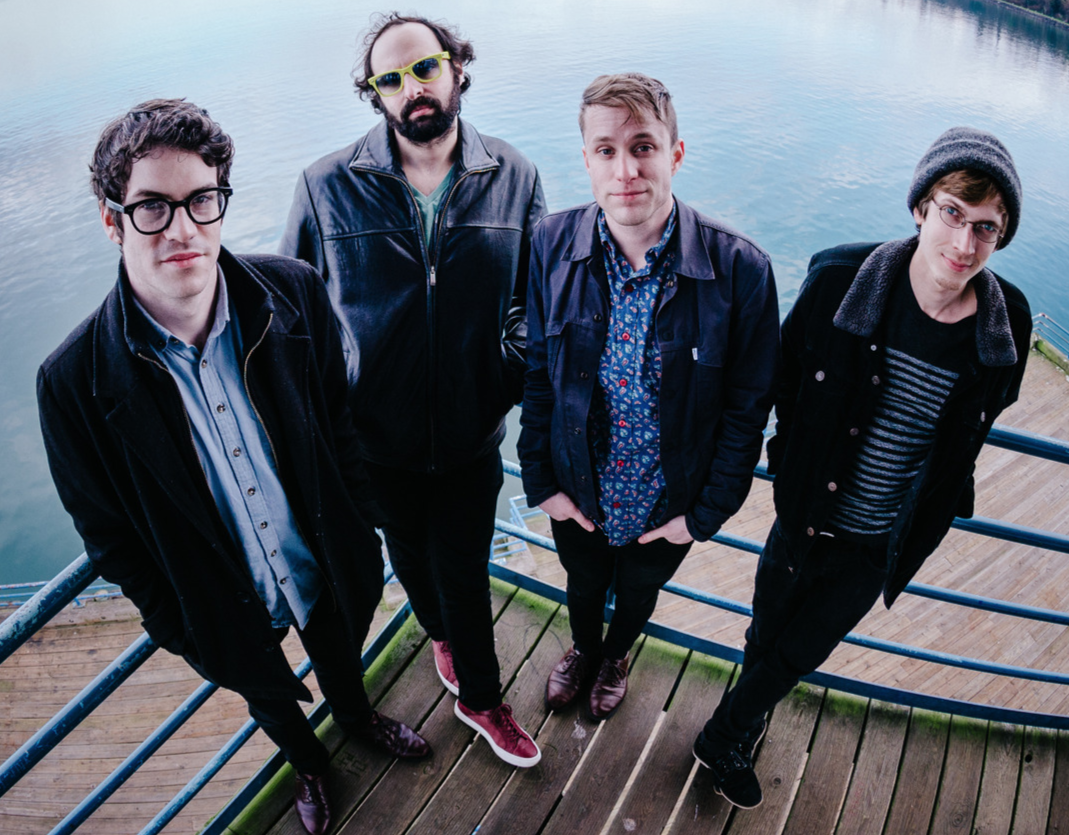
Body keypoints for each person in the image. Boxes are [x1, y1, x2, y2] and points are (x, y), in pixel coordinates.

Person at [37, 99, 430, 835]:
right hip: (216, 600)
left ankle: (356, 716)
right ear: (112, 220)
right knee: (267, 694)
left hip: (321, 556)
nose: (182, 228)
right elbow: (109, 534)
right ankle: (307, 762)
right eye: (152, 207)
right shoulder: (72, 383)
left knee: (341, 649)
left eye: (201, 200)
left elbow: (339, 424)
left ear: (221, 199)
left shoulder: (294, 292)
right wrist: (176, 623)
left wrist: (360, 523)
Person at [694, 127, 1032, 809]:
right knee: (766, 632)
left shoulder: (1007, 324)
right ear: (920, 207)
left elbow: (985, 412)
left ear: (1000, 237)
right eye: (952, 213)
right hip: (806, 514)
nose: (964, 243)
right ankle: (738, 730)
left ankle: (722, 733)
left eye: (986, 228)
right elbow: (782, 377)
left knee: (802, 650)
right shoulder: (838, 281)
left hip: (883, 539)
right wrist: (784, 460)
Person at [280, 13, 546, 768]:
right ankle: (438, 637)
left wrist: (503, 372)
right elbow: (292, 313)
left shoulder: (513, 175)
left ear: (456, 66)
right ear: (374, 93)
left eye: (424, 68)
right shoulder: (325, 185)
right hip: (373, 441)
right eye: (390, 79)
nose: (412, 88)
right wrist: (334, 405)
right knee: (409, 559)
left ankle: (481, 697)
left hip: (470, 434)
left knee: (464, 571)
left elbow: (536, 298)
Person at [518, 73, 779, 723]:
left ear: (675, 153)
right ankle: (584, 648)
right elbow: (539, 371)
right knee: (582, 584)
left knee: (638, 591)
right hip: (578, 485)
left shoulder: (740, 270)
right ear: (586, 160)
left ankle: (615, 657)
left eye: (643, 147)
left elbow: (747, 410)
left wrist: (703, 514)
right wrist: (541, 481)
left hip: (668, 497)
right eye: (606, 150)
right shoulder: (549, 243)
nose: (626, 170)